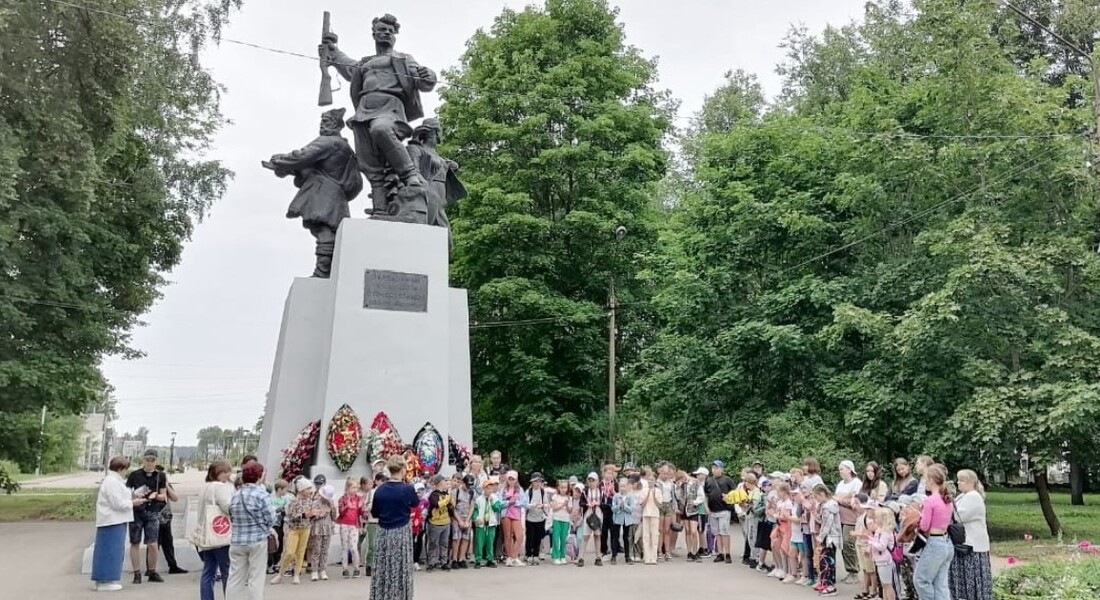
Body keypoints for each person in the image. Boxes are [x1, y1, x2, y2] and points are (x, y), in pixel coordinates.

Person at [319, 13, 436, 217]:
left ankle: (411, 174)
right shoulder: (365, 63)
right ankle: (380, 210)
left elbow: (424, 80)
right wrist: (333, 50)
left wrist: (429, 76)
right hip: (363, 111)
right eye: (382, 30)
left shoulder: (403, 59)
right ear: (374, 34)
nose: (387, 34)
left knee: (381, 129)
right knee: (368, 162)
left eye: (391, 31)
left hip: (390, 107)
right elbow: (347, 67)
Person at [369, 457, 420, 600]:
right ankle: (401, 595)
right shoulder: (407, 489)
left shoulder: (380, 489)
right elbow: (415, 503)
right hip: (401, 531)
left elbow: (375, 512)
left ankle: (381, 594)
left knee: (383, 565)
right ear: (403, 470)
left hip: (384, 531)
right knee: (400, 566)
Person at [92, 457, 144, 592]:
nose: (127, 472)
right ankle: (106, 579)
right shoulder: (112, 482)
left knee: (106, 550)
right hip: (113, 521)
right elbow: (118, 503)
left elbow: (120, 497)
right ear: (121, 469)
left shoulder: (114, 481)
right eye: (126, 469)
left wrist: (133, 495)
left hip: (112, 520)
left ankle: (102, 579)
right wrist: (133, 503)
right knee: (112, 551)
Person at [227, 461, 273, 600]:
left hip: (237, 540)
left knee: (235, 578)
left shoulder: (236, 495)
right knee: (256, 578)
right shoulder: (262, 495)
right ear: (259, 476)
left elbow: (232, 515)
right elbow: (271, 518)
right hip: (257, 540)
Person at [126, 448, 168, 584]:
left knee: (152, 543)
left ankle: (152, 571)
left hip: (153, 510)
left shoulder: (160, 476)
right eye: (147, 460)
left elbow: (164, 496)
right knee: (135, 542)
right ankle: (136, 572)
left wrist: (157, 495)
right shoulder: (134, 475)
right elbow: (126, 493)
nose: (149, 463)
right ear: (143, 460)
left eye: (152, 460)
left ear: (156, 461)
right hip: (137, 511)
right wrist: (135, 495)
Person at [914, 464, 955, 600]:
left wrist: (917, 518)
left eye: (925, 479)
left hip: (935, 542)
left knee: (921, 580)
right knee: (940, 584)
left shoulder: (930, 501)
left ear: (931, 480)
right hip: (947, 542)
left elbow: (924, 526)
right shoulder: (947, 499)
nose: (925, 482)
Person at [949, 469, 991, 600]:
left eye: (961, 480)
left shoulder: (973, 497)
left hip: (973, 547)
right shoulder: (963, 496)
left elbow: (958, 515)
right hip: (965, 545)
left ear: (970, 482)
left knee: (972, 580)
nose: (958, 483)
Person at [196, 461, 233, 600]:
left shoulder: (205, 487)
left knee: (208, 571)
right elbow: (227, 507)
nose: (229, 475)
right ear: (220, 473)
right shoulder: (220, 487)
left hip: (206, 535)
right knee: (226, 571)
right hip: (219, 535)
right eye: (227, 472)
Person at [271, 478, 315, 584]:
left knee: (300, 552)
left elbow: (310, 516)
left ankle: (296, 574)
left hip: (306, 529)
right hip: (294, 529)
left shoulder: (310, 501)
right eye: (308, 488)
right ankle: (280, 574)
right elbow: (291, 517)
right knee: (290, 552)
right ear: (301, 490)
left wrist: (313, 515)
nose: (310, 491)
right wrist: (305, 515)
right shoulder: (293, 501)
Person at [834, 459, 863, 584]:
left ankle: (854, 571)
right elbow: (835, 498)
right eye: (840, 469)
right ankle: (849, 571)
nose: (840, 471)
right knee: (842, 545)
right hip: (839, 517)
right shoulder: (840, 484)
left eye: (842, 469)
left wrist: (840, 499)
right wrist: (843, 498)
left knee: (848, 543)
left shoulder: (857, 483)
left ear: (850, 470)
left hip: (851, 519)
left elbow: (853, 501)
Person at [153, 465, 187, 575]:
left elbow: (175, 498)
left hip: (166, 516)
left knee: (168, 541)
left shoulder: (166, 484)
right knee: (154, 542)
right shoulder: (151, 484)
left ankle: (173, 565)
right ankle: (151, 568)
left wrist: (166, 485)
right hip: (154, 515)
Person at [704, 459, 737, 563]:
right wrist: (706, 508)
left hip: (724, 509)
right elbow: (705, 495)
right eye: (713, 468)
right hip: (713, 511)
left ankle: (727, 553)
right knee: (717, 533)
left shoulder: (727, 480)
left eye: (717, 468)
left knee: (724, 532)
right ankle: (720, 553)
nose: (715, 470)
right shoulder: (708, 481)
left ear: (721, 469)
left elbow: (735, 493)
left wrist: (728, 497)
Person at [814, 484, 841, 597]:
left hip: (829, 538)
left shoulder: (828, 507)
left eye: (817, 497)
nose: (816, 500)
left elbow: (827, 524)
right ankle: (826, 582)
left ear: (822, 494)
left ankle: (830, 585)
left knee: (827, 562)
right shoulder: (829, 505)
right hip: (831, 537)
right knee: (825, 560)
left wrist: (820, 537)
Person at [868, 507, 900, 600]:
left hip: (886, 560)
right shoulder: (880, 531)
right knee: (884, 585)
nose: (875, 519)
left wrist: (871, 542)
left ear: (883, 519)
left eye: (877, 518)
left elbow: (881, 546)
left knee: (888, 585)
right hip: (880, 560)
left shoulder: (886, 532)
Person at [308, 484, 337, 581]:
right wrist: (323, 512)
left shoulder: (330, 503)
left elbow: (334, 517)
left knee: (324, 550)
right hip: (317, 529)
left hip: (327, 529)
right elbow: (313, 516)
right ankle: (314, 571)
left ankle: (323, 570)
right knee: (316, 550)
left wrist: (332, 509)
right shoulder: (315, 503)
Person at [425, 474, 454, 572]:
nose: (447, 483)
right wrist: (447, 499)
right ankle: (431, 562)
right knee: (433, 544)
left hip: (446, 522)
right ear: (440, 482)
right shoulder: (433, 494)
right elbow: (437, 504)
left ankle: (444, 562)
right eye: (445, 481)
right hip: (435, 523)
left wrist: (451, 503)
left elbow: (451, 507)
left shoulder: (447, 494)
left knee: (444, 543)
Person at [499, 470, 527, 566]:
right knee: (508, 536)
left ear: (516, 479)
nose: (511, 480)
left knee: (519, 535)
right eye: (509, 478)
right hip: (506, 514)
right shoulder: (503, 490)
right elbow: (499, 502)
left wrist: (516, 502)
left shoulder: (520, 490)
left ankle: (514, 556)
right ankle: (509, 557)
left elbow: (524, 502)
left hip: (516, 514)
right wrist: (508, 502)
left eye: (513, 479)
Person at [336, 477, 363, 578]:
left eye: (356, 488)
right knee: (345, 547)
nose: (355, 490)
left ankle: (356, 568)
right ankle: (345, 568)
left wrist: (362, 508)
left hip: (354, 525)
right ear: (347, 488)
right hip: (344, 524)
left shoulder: (358, 499)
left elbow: (360, 512)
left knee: (354, 547)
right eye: (353, 487)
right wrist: (346, 506)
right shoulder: (342, 499)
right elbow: (341, 512)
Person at [524, 472, 550, 565]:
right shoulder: (528, 492)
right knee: (530, 537)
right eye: (536, 481)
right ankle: (528, 554)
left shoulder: (543, 492)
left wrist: (542, 505)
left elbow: (547, 504)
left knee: (538, 537)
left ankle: (535, 554)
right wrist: (533, 505)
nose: (538, 483)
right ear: (532, 482)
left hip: (540, 518)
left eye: (539, 481)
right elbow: (525, 504)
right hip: (530, 518)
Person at [450, 474, 474, 569]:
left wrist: (467, 520)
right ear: (463, 483)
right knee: (457, 538)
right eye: (467, 485)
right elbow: (453, 507)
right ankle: (454, 559)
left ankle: (462, 558)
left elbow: (471, 506)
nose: (468, 487)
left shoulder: (471, 493)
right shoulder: (456, 492)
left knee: (466, 538)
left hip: (467, 517)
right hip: (457, 518)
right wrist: (459, 520)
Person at [684, 468, 707, 562]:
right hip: (684, 510)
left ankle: (695, 551)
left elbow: (701, 496)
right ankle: (689, 552)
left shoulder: (697, 485)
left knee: (694, 531)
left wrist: (694, 502)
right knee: (687, 531)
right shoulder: (682, 485)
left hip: (693, 510)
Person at [639, 475, 663, 565]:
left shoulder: (658, 491)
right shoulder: (644, 491)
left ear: (655, 481)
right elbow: (641, 504)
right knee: (646, 536)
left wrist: (653, 495)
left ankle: (654, 557)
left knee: (654, 535)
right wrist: (648, 494)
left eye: (652, 480)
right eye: (649, 480)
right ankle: (647, 557)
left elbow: (659, 504)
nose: (650, 482)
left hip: (655, 514)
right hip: (646, 514)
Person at [267, 480, 290, 574]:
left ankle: (277, 563)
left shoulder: (285, 499)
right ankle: (270, 564)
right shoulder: (271, 499)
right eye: (285, 489)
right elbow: (271, 510)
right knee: (273, 545)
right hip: (274, 524)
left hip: (282, 523)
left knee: (280, 544)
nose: (286, 491)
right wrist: (280, 509)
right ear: (279, 489)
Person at [550, 479, 572, 565]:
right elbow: (554, 508)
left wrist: (566, 506)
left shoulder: (569, 498)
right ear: (559, 488)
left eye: (565, 487)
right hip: (557, 519)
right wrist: (563, 504)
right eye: (562, 487)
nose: (563, 489)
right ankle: (556, 556)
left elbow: (570, 511)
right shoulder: (555, 497)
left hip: (566, 520)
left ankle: (562, 555)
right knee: (556, 538)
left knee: (563, 538)